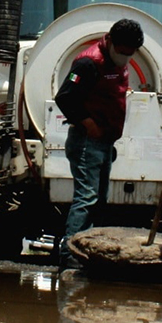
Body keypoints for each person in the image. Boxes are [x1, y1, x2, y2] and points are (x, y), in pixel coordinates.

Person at [53, 18, 145, 269]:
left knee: (99, 198)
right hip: (87, 140)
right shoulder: (88, 62)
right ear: (112, 42)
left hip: (104, 141)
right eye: (122, 51)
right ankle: (69, 251)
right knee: (87, 197)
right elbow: (65, 97)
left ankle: (88, 249)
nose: (125, 57)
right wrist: (88, 123)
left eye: (130, 53)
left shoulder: (118, 62)